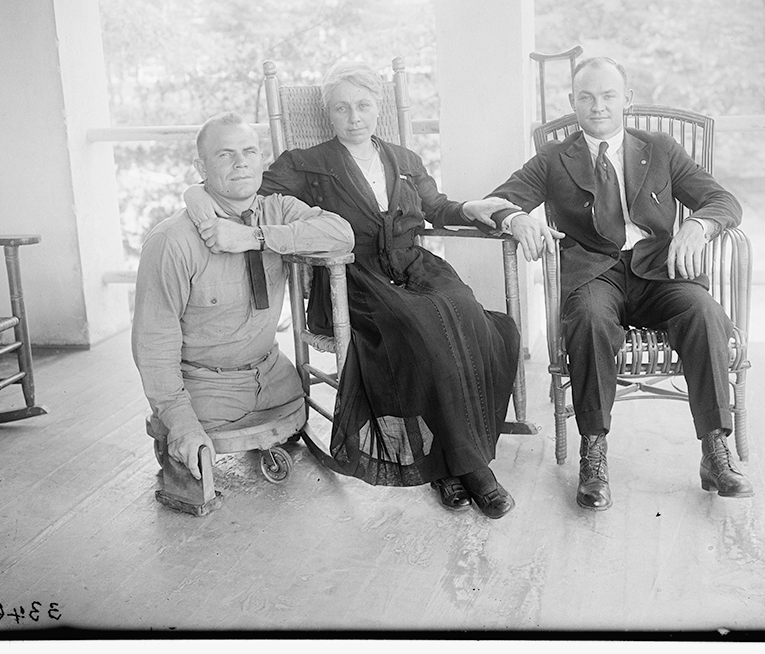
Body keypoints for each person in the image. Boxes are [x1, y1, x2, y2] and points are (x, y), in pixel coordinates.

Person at [184, 63, 523, 519]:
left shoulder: (404, 160)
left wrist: (471, 207)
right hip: (353, 276)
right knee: (422, 331)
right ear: (329, 114)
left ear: (378, 108)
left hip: (414, 266)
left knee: (470, 319)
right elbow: (245, 190)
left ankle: (444, 462)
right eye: (342, 108)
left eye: (363, 105)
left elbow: (435, 207)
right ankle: (473, 469)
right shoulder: (307, 163)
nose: (354, 117)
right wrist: (195, 194)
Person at [486, 56, 754, 510]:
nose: (598, 106)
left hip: (657, 271)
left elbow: (721, 200)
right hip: (594, 274)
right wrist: (514, 218)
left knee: (704, 310)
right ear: (572, 103)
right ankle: (594, 455)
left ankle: (714, 449)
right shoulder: (554, 158)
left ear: (626, 100)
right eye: (586, 97)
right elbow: (500, 199)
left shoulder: (661, 148)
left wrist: (700, 226)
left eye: (609, 96)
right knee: (588, 319)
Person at [132, 112, 355, 481]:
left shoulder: (276, 210)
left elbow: (341, 234)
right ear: (199, 166)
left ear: (261, 160)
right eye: (225, 155)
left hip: (274, 379)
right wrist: (182, 424)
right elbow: (153, 344)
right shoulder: (172, 241)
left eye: (249, 151)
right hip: (208, 391)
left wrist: (257, 238)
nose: (240, 163)